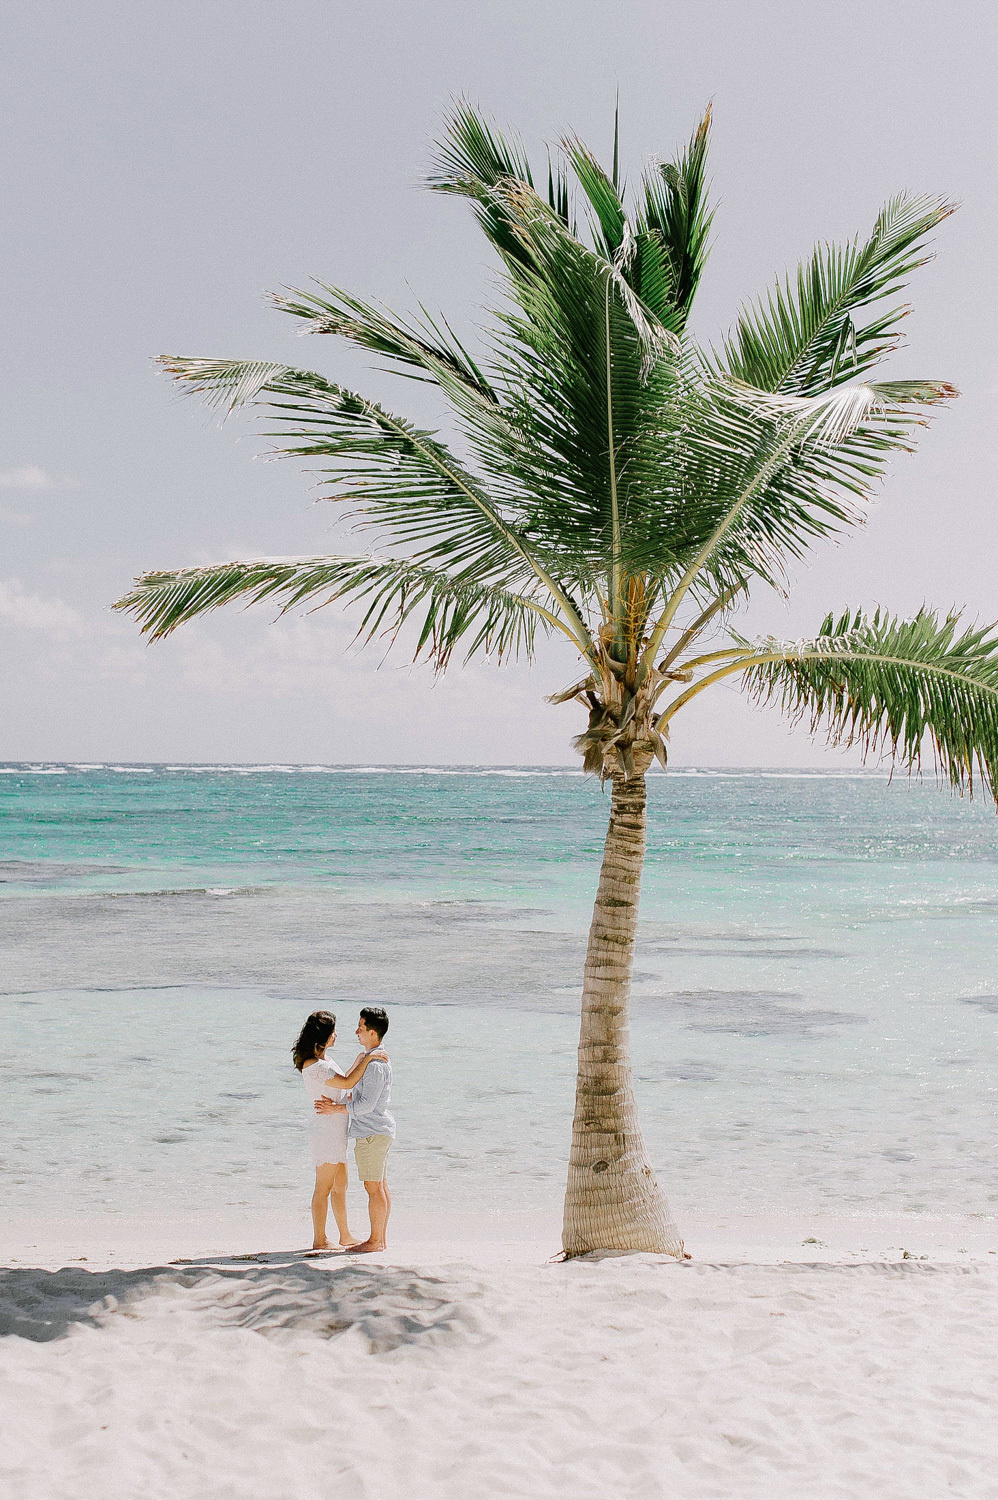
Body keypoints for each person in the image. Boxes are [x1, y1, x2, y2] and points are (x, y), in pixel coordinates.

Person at [291, 1010, 387, 1251]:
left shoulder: (323, 1060)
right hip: (325, 1130)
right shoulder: (315, 1067)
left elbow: (345, 1077)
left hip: (336, 1129)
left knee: (340, 1185)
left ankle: (345, 1235)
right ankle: (319, 1239)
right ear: (321, 1039)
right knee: (323, 1187)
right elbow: (346, 1083)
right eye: (333, 1032)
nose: (337, 1035)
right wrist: (369, 1059)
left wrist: (363, 1056)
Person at [314, 1006, 394, 1253]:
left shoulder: (375, 1065)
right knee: (379, 1186)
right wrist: (362, 1059)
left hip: (372, 1132)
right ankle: (379, 1239)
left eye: (360, 1027)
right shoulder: (370, 1060)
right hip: (376, 1131)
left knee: (374, 1187)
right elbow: (352, 1085)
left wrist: (334, 1110)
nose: (356, 1031)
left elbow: (366, 1105)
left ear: (372, 1032)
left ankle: (375, 1241)